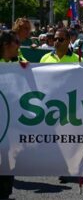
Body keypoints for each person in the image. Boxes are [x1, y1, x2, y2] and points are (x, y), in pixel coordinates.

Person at [0, 30, 28, 199]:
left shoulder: (20, 62)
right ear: (5, 44)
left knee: (8, 157)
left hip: (10, 121)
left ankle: (4, 192)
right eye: (16, 42)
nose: (19, 46)